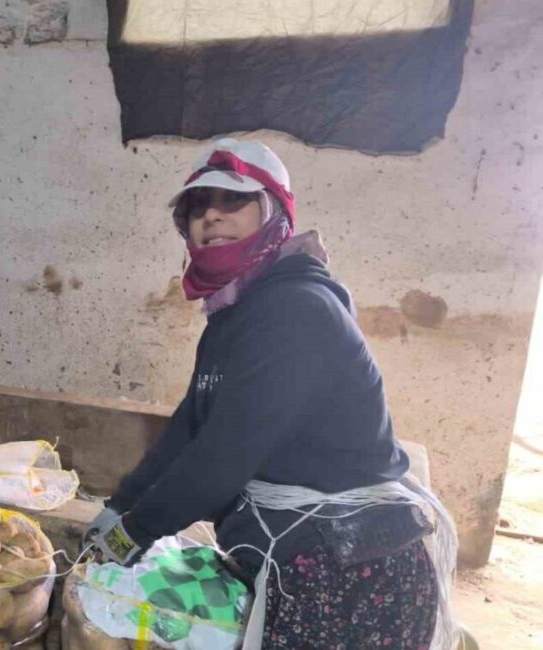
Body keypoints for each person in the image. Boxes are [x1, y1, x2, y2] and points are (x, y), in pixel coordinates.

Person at [85, 139, 456, 649]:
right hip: (298, 556)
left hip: (349, 569)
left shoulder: (295, 309)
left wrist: (132, 532)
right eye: (196, 207)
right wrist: (119, 505)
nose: (211, 216)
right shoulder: (234, 313)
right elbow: (192, 423)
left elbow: (223, 456)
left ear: (275, 212)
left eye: (232, 200)